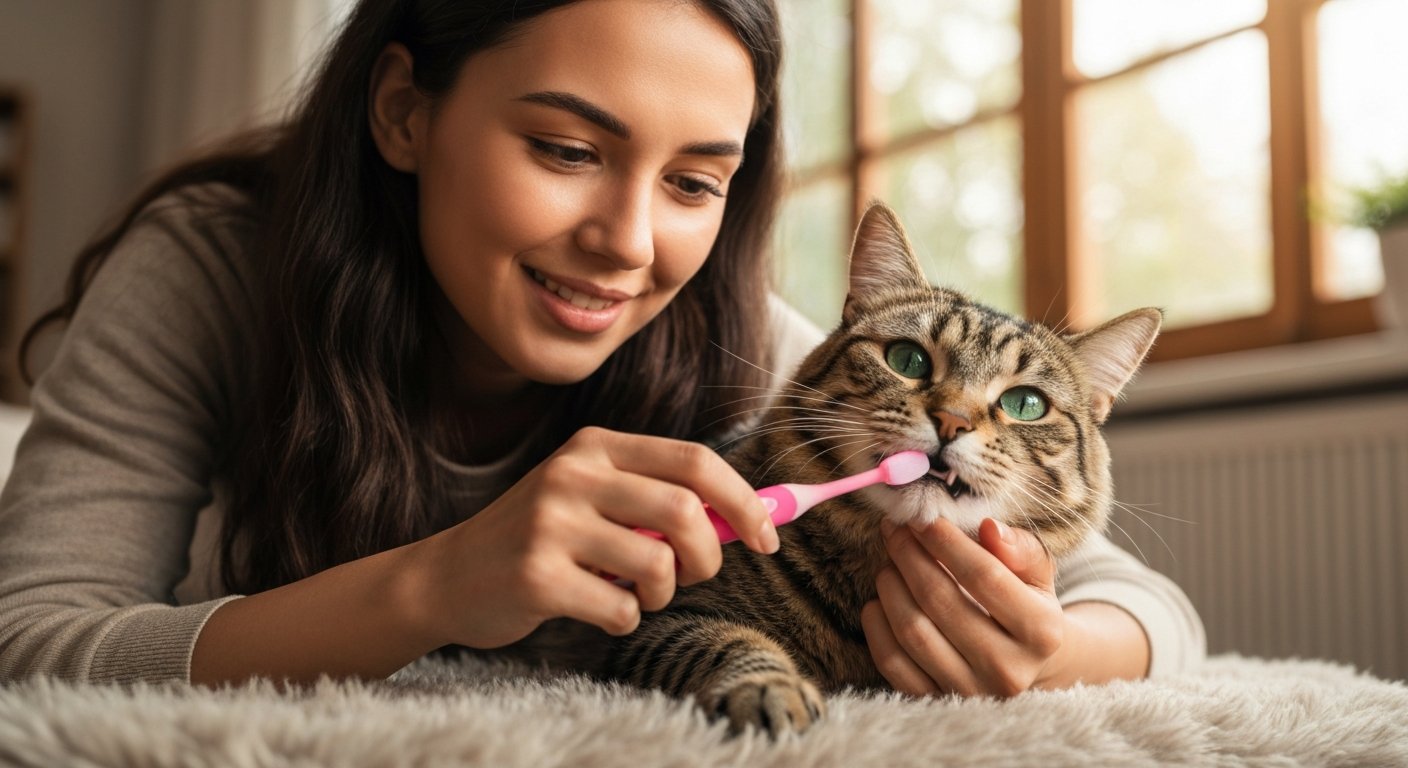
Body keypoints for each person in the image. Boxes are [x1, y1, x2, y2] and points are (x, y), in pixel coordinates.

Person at [0, 0, 1203, 695]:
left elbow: (1147, 610)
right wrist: (436, 583)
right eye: (567, 151)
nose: (626, 244)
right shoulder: (213, 263)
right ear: (404, 110)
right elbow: (28, 647)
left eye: (693, 180)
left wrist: (1046, 649)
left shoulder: (729, 331)